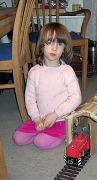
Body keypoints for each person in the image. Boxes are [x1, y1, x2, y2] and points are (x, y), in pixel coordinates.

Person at [12, 22, 82, 150]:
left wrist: (55, 114)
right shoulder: (34, 72)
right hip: (40, 118)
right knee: (17, 138)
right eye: (49, 42)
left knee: (41, 143)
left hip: (60, 119)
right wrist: (37, 119)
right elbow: (30, 99)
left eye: (59, 44)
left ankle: (64, 132)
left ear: (64, 48)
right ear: (41, 45)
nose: (54, 48)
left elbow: (76, 98)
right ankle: (42, 130)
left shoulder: (67, 71)